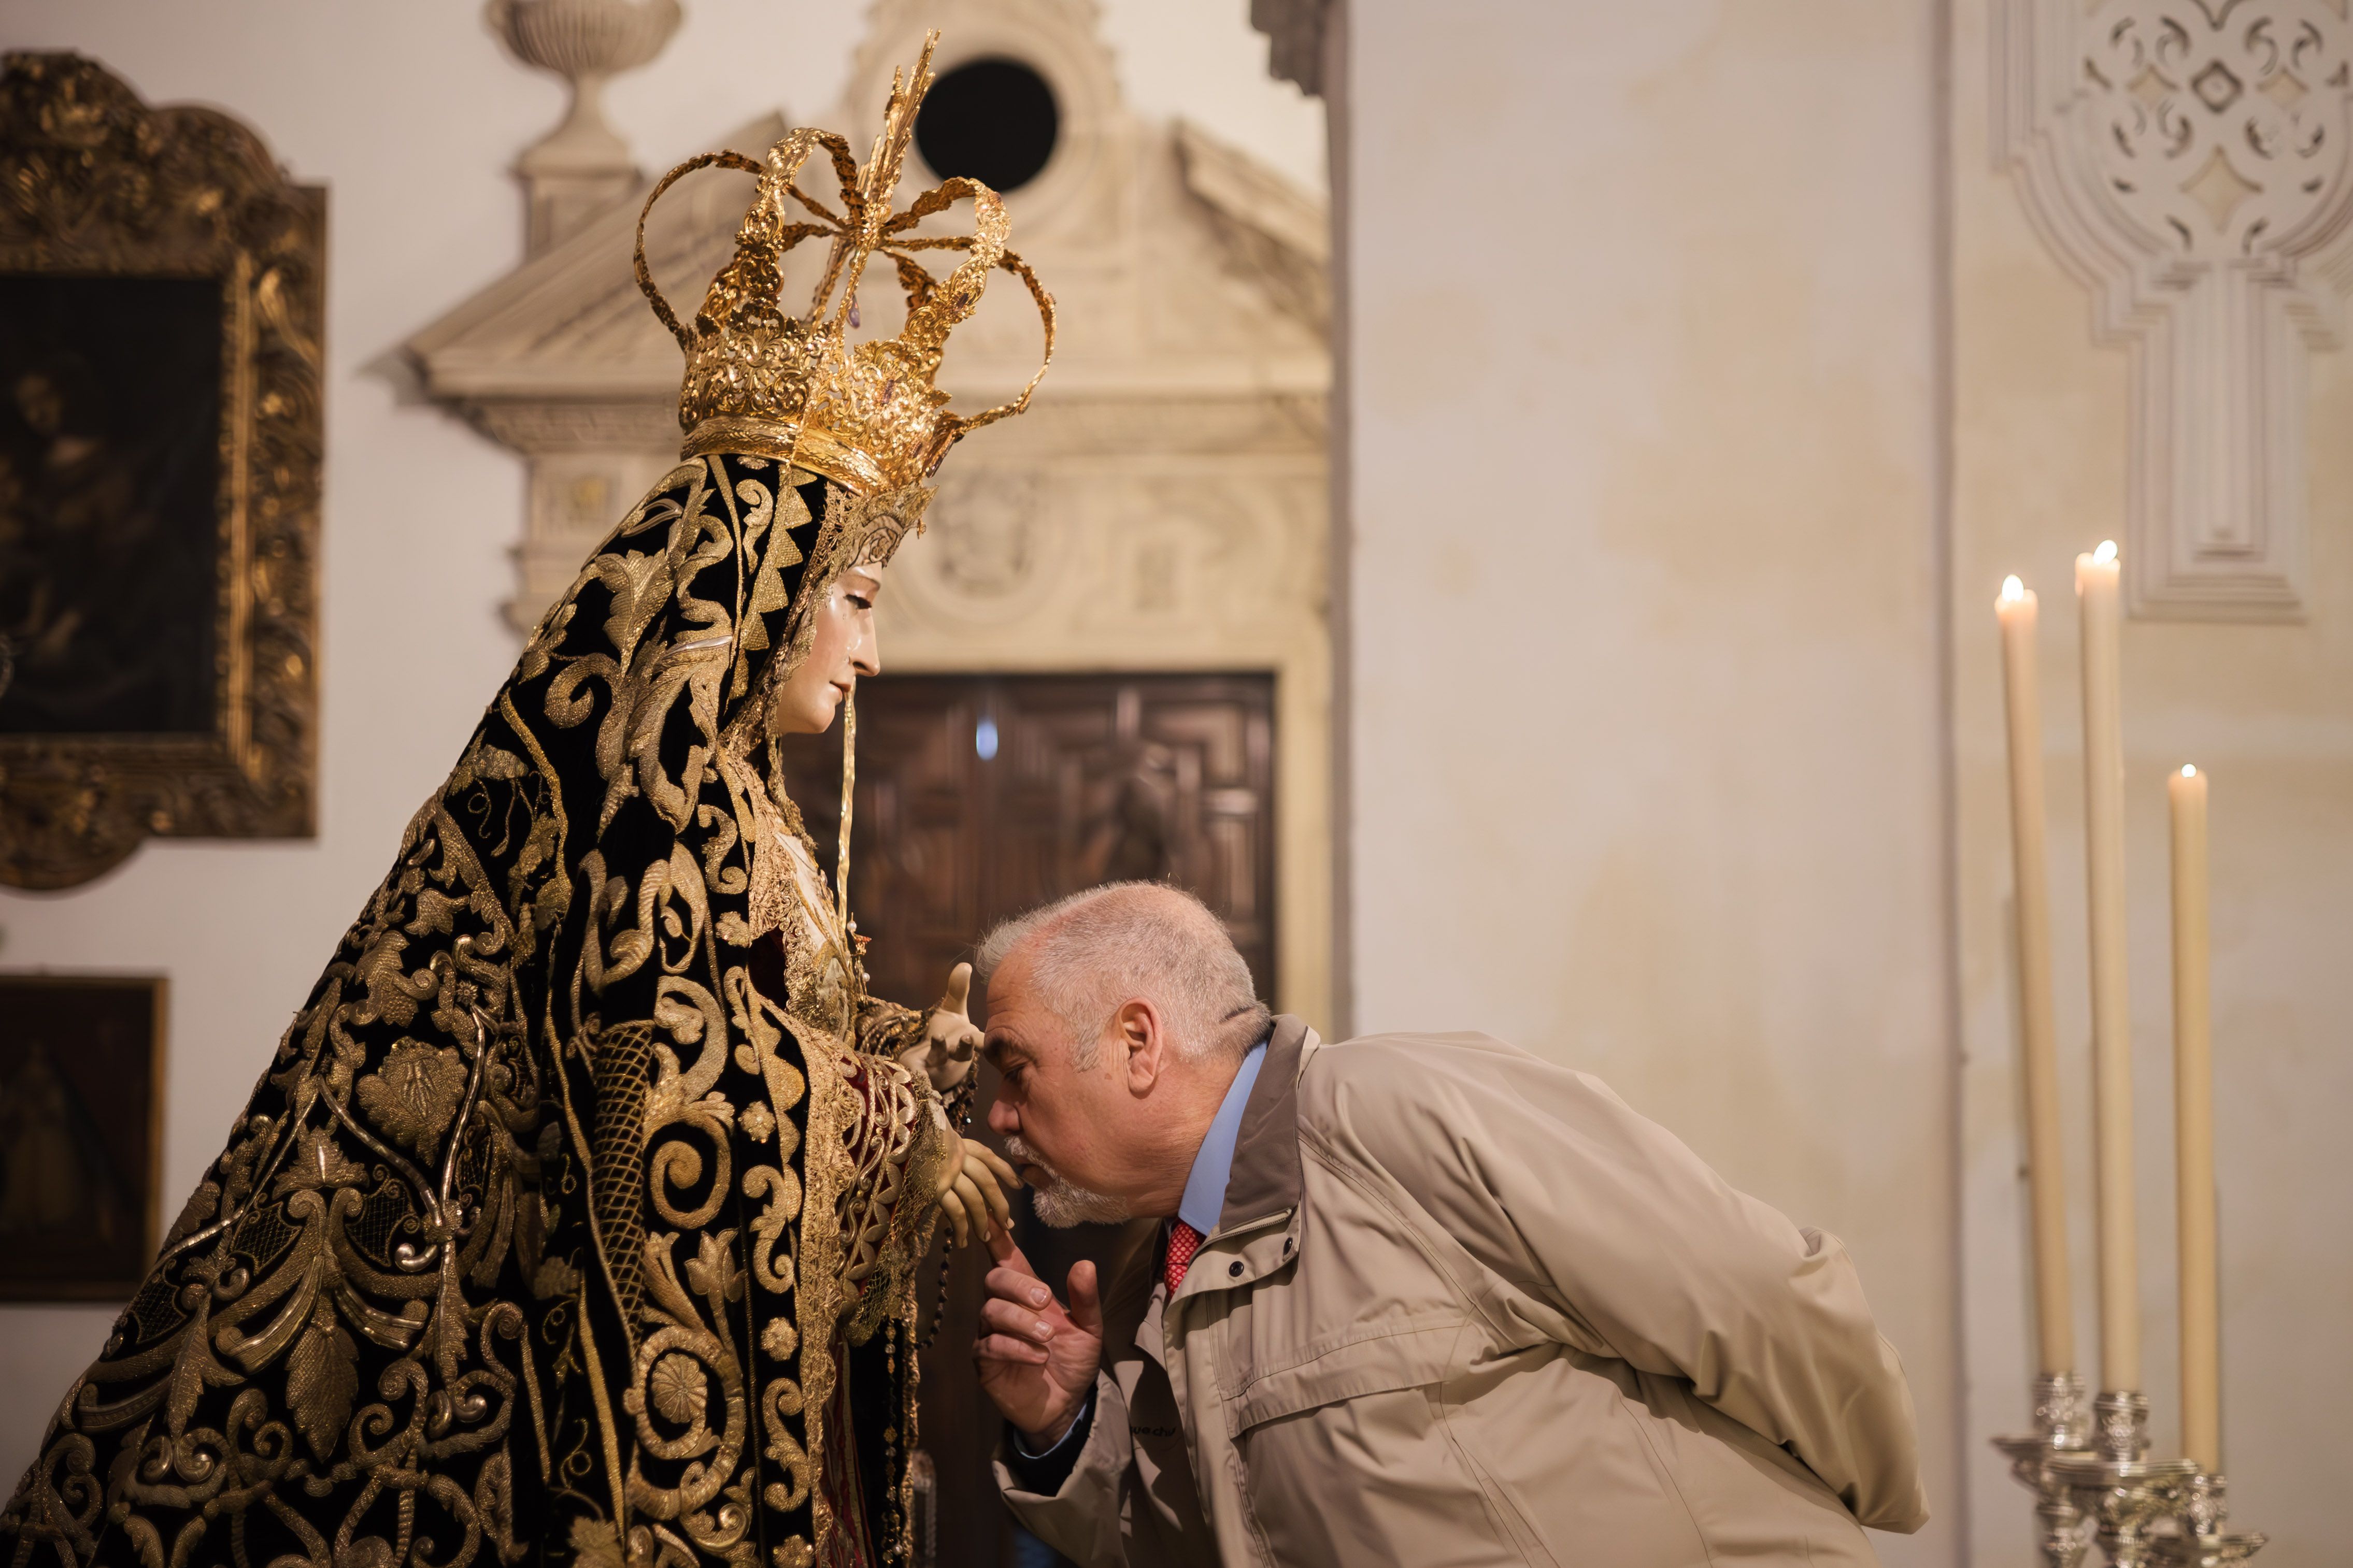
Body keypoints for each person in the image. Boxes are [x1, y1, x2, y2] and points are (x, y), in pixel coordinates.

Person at [1, 37, 1044, 1568]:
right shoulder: (643, 820)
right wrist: (894, 1131)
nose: (871, 650)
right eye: (858, 599)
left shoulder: (729, 817)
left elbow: (744, 1035)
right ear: (758, 602)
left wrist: (898, 1052)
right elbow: (648, 1086)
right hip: (588, 1429)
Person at [971, 882, 1929, 1567]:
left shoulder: (1391, 1112)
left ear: (1138, 1043)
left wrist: (1872, 1506)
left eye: (1015, 1071)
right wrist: (1064, 1425)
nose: (995, 1119)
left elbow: (1749, 1291)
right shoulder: (1157, 1272)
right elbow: (1211, 1541)